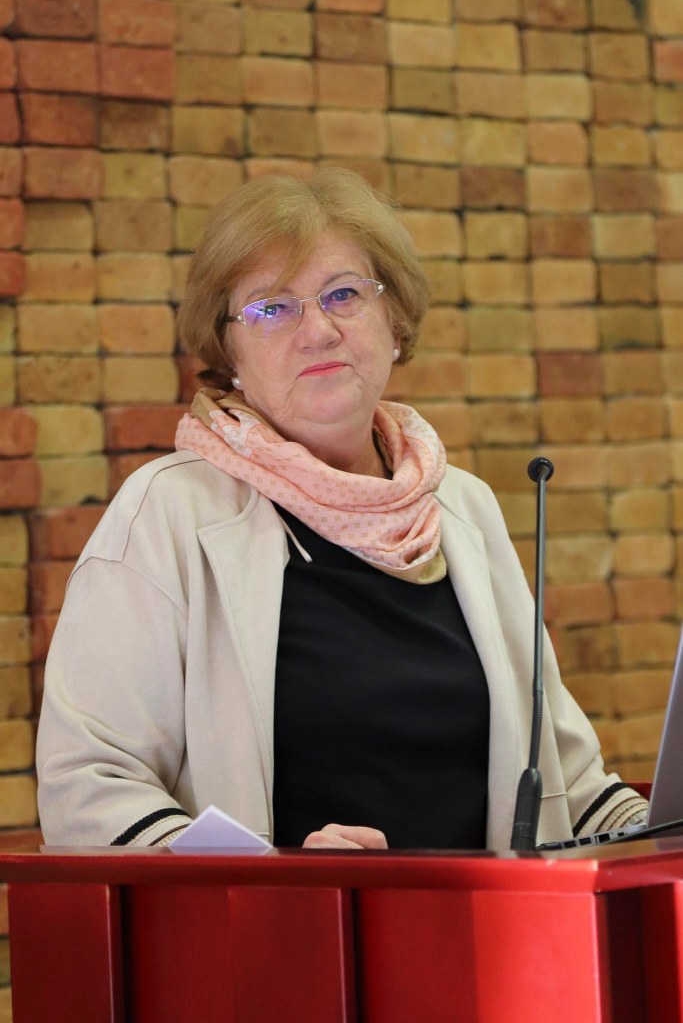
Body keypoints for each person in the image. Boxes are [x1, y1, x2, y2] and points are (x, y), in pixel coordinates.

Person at [36, 169, 647, 850]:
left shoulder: (461, 507)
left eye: (344, 294)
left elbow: (567, 786)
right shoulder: (170, 511)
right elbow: (91, 783)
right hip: (284, 918)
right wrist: (286, 882)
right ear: (229, 352)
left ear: (394, 323)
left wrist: (657, 828)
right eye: (272, 308)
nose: (318, 330)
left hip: (488, 916)